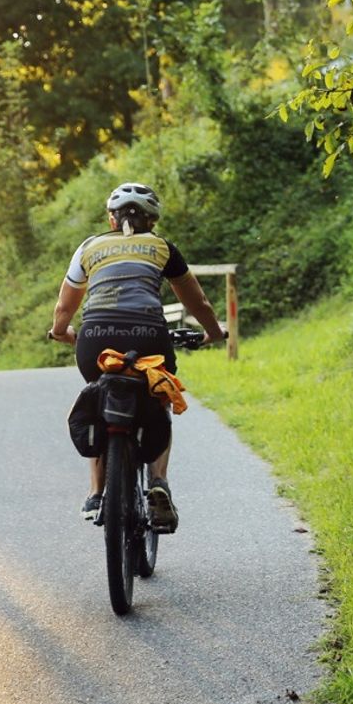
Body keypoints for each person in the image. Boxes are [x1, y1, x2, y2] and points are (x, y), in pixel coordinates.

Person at [48, 182, 226, 527]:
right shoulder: (162, 248)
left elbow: (64, 307)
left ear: (111, 220)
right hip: (149, 337)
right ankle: (158, 483)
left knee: (101, 400)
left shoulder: (89, 247)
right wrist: (214, 333)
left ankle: (96, 494)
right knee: (159, 396)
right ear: (152, 221)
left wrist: (60, 333)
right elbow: (198, 302)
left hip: (94, 338)